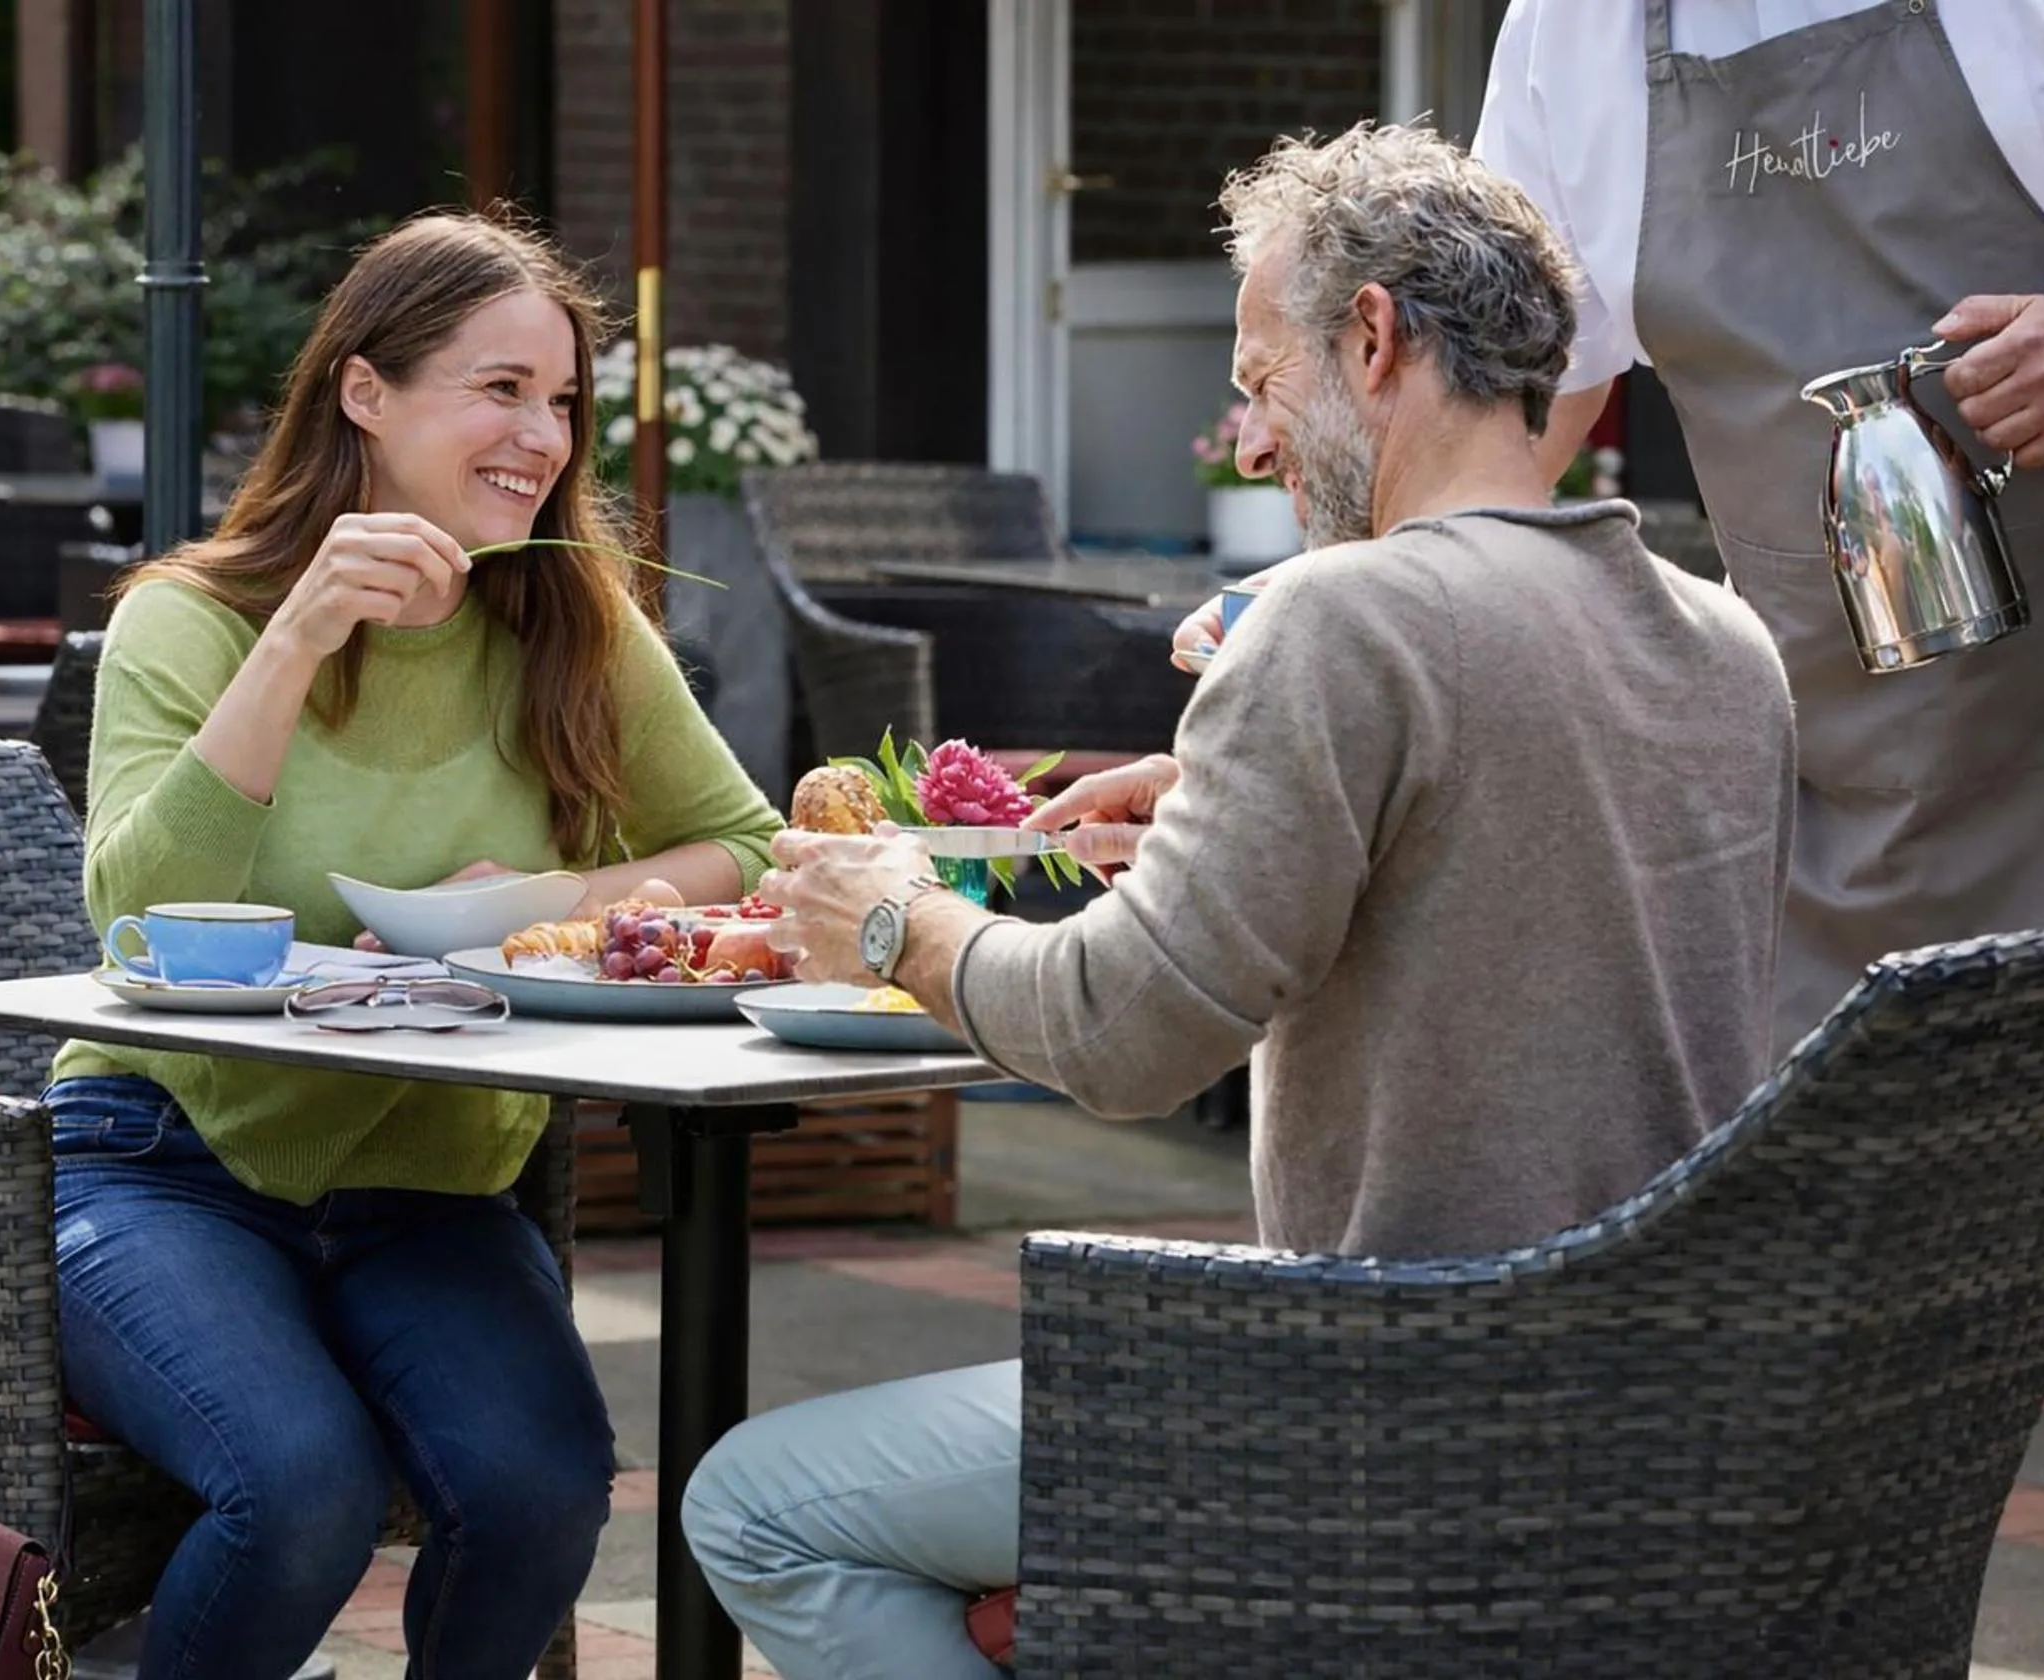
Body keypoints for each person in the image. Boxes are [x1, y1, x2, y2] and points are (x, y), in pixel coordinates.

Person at [681, 123, 1797, 1680]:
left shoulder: (1341, 621)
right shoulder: (1721, 640)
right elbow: (1512, 873)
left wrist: (893, 919)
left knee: (755, 1506)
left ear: (1373, 338)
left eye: (1261, 383)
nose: (1253, 444)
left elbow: (1120, 1041)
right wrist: (1226, 813)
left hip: (1390, 1406)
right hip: (1669, 1426)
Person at [1423, 9, 2044, 1675]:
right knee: (1814, 1497)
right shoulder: (1586, 26)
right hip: (1852, 811)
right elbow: (1518, 409)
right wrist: (1370, 635)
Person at [46, 212, 781, 1678]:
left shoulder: (571, 622)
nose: (545, 437)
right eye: (499, 389)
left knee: (540, 1492)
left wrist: (548, 901)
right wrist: (297, 637)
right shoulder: (191, 620)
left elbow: (752, 848)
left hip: (431, 1181)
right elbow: (132, 915)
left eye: (563, 400)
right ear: (365, 394)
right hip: (162, 1159)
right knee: (300, 1489)